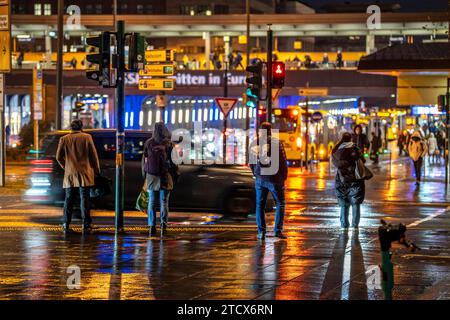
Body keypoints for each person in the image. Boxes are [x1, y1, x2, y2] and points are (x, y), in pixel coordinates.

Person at [56, 119, 100, 233]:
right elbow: (93, 155)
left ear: (71, 127)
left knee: (69, 199)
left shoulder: (64, 139)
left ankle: (66, 224)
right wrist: (97, 170)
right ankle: (86, 225)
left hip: (70, 173)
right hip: (85, 172)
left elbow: (58, 157)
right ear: (81, 127)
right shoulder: (87, 137)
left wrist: (65, 166)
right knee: (85, 199)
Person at [250, 122, 288, 240]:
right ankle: (278, 230)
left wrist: (256, 174)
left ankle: (261, 232)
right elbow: (282, 162)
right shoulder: (276, 143)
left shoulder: (254, 143)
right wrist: (283, 177)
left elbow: (251, 162)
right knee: (280, 203)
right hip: (274, 178)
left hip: (260, 178)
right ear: (270, 130)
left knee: (260, 205)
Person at [142, 122, 178, 236]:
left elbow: (144, 160)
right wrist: (176, 175)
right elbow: (174, 163)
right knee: (164, 202)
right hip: (165, 176)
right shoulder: (169, 144)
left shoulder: (149, 143)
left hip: (151, 176)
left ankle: (151, 226)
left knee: (152, 202)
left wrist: (145, 175)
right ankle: (163, 226)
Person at [332, 132, 365, 230]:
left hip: (341, 178)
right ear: (350, 139)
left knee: (343, 202)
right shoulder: (354, 148)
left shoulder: (336, 150)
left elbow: (335, 163)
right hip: (355, 178)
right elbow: (363, 160)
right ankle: (355, 225)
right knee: (355, 201)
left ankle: (344, 224)